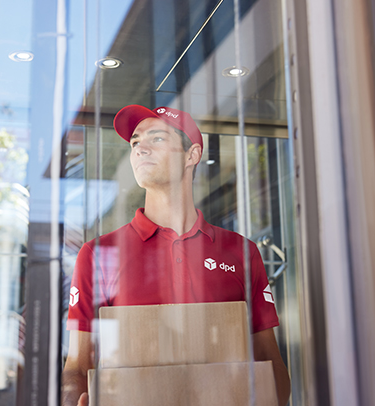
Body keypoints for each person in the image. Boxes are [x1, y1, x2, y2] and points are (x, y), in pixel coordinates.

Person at [61, 105, 291, 406]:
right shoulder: (98, 255)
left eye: (156, 138)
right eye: (134, 142)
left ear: (191, 155)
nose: (140, 148)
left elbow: (269, 362)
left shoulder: (240, 252)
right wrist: (71, 400)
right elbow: (78, 366)